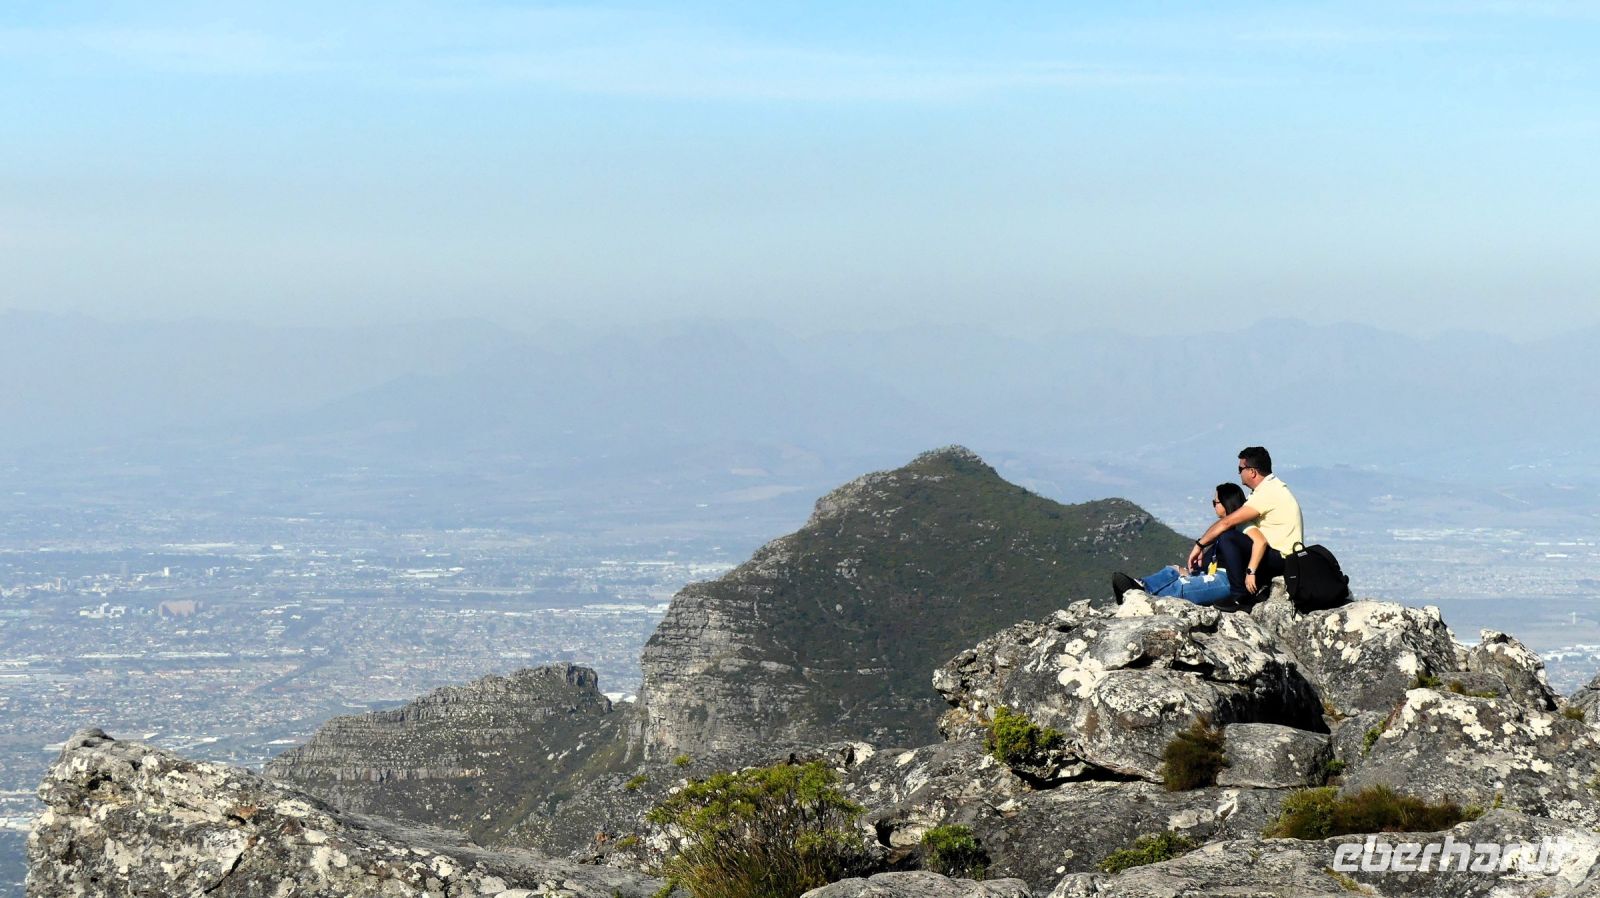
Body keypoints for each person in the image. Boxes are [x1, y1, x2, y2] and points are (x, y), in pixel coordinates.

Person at [1112, 482, 1269, 607]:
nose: (1214, 505)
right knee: (1173, 570)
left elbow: (1260, 541)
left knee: (1180, 586)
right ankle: (1141, 585)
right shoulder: (1224, 528)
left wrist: (1251, 572)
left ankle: (1141, 596)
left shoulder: (1244, 525)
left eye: (1216, 502)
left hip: (1226, 580)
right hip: (1212, 574)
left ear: (1227, 503)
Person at [1185, 446, 1303, 592]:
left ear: (1252, 471)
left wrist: (1199, 545)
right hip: (1282, 556)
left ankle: (1239, 593)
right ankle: (1200, 572)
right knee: (1230, 534)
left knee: (1228, 538)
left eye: (1241, 469)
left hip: (1282, 558)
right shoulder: (1270, 489)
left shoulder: (1267, 493)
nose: (1238, 473)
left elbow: (1227, 522)